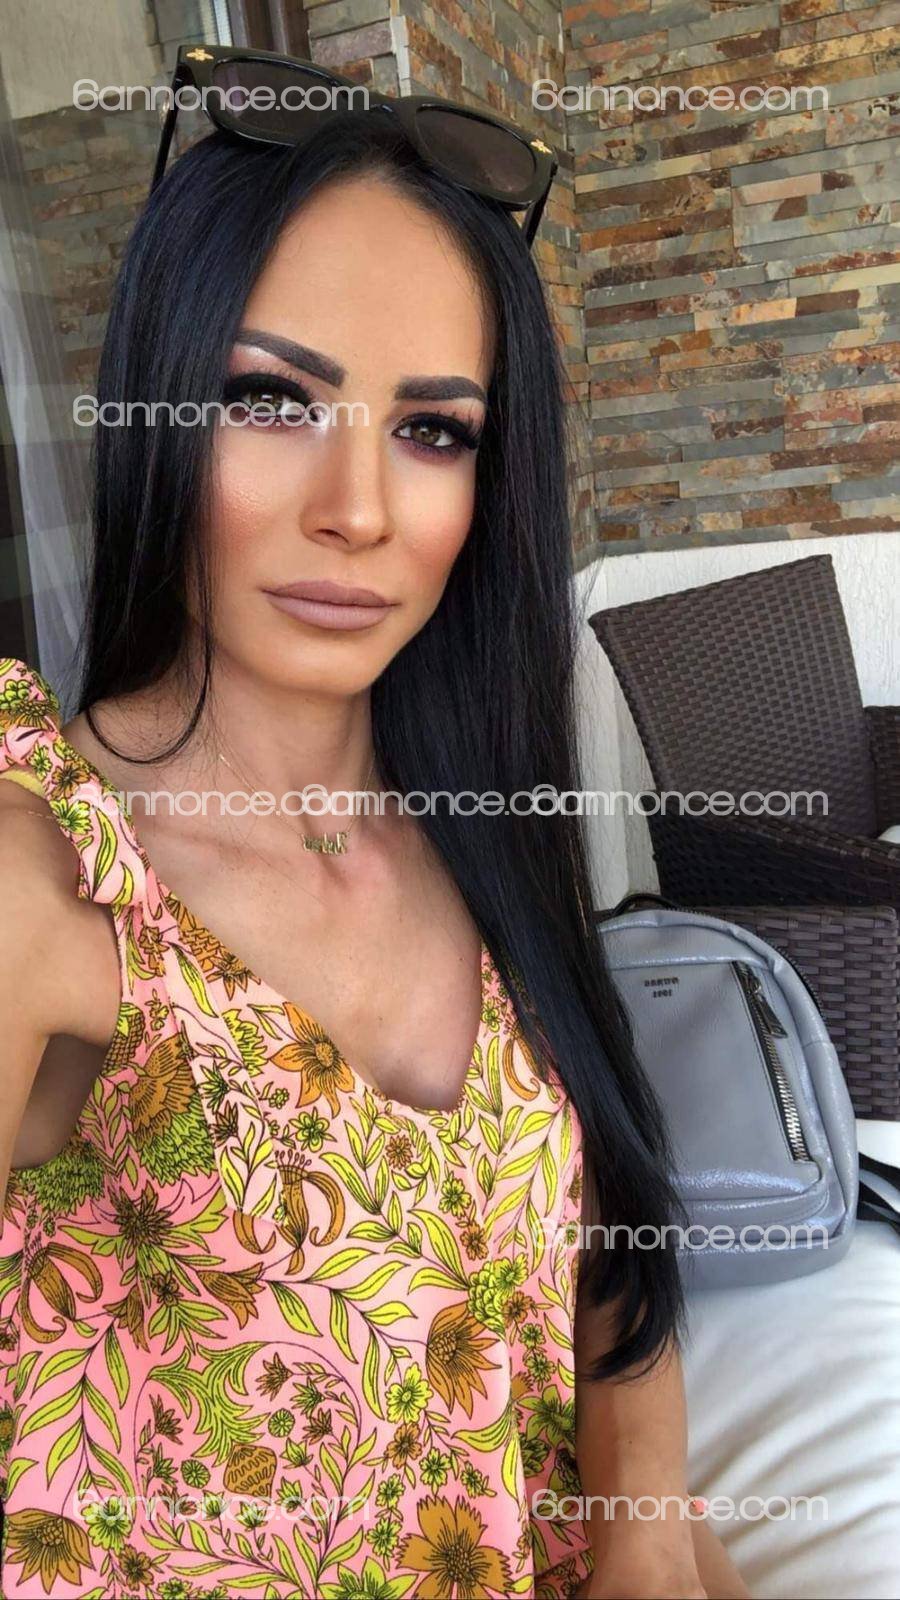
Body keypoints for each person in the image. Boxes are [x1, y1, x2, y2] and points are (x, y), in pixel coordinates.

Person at [0, 74, 750, 1600]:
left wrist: (649, 1527)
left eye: (431, 429)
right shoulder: (48, 864)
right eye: (273, 402)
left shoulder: (481, 819)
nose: (358, 510)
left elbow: (605, 1216)